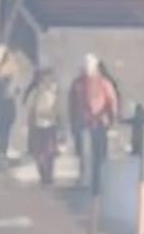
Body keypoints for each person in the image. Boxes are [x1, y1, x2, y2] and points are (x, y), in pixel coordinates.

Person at [69, 53, 122, 191]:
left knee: (93, 153)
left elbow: (111, 101)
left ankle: (94, 181)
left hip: (95, 123)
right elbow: (112, 101)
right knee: (92, 153)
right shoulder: (97, 83)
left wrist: (111, 117)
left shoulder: (91, 83)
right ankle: (94, 181)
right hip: (91, 123)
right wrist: (111, 117)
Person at [23, 66, 64, 187]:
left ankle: (47, 176)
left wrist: (58, 119)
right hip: (39, 125)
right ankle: (45, 175)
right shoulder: (35, 92)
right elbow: (28, 107)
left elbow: (59, 108)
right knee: (41, 152)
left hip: (48, 125)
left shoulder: (52, 90)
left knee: (47, 152)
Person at [0, 49, 25, 164]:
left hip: (3, 108)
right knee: (2, 131)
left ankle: (2, 153)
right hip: (2, 107)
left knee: (2, 131)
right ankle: (2, 153)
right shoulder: (1, 77)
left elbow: (14, 91)